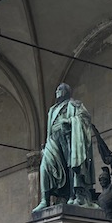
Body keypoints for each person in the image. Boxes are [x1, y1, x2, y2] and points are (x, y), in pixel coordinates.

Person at [32, 83, 99, 212]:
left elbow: (85, 118)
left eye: (60, 89)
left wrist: (70, 121)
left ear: (67, 91)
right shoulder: (52, 110)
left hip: (70, 137)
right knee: (44, 165)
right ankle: (45, 200)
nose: (57, 91)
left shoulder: (75, 104)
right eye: (57, 89)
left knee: (71, 165)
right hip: (53, 139)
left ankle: (73, 195)